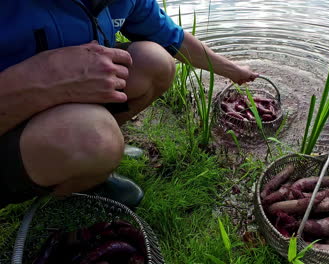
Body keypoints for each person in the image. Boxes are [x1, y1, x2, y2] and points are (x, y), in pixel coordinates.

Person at [0, 0, 258, 209]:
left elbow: (174, 39)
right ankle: (80, 156)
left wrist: (233, 71)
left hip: (62, 106)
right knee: (95, 138)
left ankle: (87, 168)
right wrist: (45, 76)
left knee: (154, 62)